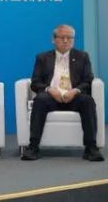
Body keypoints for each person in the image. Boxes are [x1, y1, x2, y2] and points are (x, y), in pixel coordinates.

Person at [21, 24, 104, 161]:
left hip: (74, 96)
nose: (66, 41)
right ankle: (33, 147)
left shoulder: (82, 56)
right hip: (51, 97)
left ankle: (91, 148)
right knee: (40, 100)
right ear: (53, 39)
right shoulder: (43, 57)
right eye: (62, 37)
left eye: (69, 38)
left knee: (88, 101)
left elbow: (88, 80)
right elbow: (35, 82)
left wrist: (75, 91)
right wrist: (50, 90)